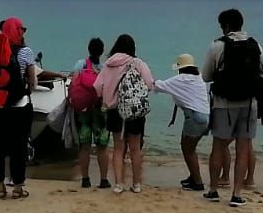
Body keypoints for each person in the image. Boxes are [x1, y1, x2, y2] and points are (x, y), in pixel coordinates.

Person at [201, 8, 263, 207]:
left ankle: (213, 190)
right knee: (243, 148)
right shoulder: (256, 45)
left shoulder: (217, 45)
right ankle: (237, 194)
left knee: (218, 147)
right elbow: (262, 73)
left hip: (224, 104)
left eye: (222, 26)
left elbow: (206, 76)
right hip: (249, 103)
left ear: (226, 26)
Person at [92, 33, 154, 193]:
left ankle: (119, 184)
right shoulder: (137, 63)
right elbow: (150, 84)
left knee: (118, 148)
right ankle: (136, 184)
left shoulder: (108, 65)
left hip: (114, 111)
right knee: (135, 148)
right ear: (132, 48)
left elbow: (97, 86)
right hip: (134, 110)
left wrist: (106, 96)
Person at [0, 17, 39, 200]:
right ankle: (18, 188)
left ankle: (0, 187)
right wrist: (28, 87)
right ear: (18, 31)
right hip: (20, 106)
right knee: (19, 147)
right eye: (22, 29)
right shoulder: (26, 52)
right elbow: (32, 80)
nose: (23, 32)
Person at [153, 53, 211, 191]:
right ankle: (193, 177)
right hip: (206, 118)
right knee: (191, 149)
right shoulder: (199, 77)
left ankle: (197, 182)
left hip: (194, 118)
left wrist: (146, 78)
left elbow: (158, 86)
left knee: (187, 150)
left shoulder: (181, 79)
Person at [71, 37, 111, 189]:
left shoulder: (80, 65)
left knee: (84, 146)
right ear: (102, 51)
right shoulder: (105, 68)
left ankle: (85, 179)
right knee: (102, 146)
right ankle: (103, 180)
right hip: (100, 110)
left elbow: (73, 85)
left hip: (83, 111)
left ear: (89, 49)